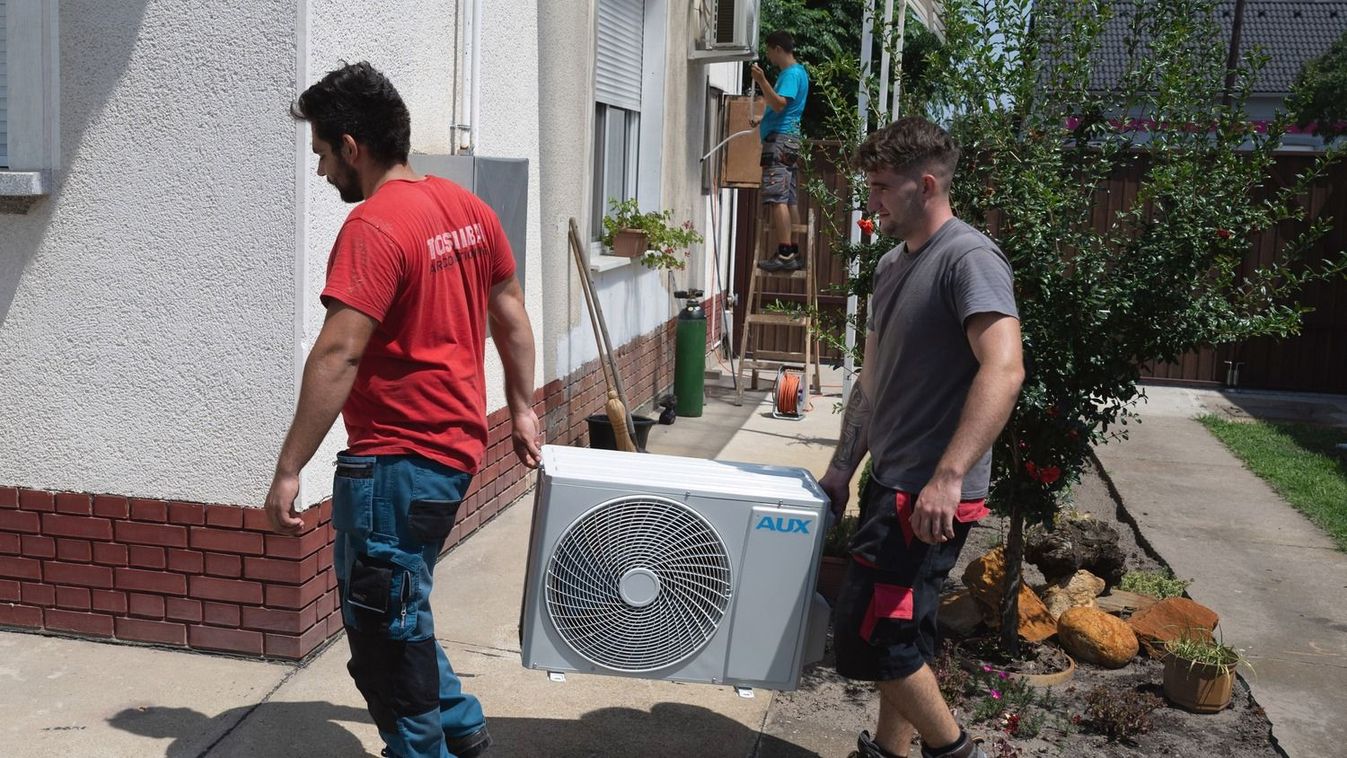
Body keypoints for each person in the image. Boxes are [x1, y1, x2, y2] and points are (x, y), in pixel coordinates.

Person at [265, 61, 540, 758]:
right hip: (450, 453)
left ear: (353, 146)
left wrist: (291, 467)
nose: (323, 172)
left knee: (382, 629)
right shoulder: (464, 208)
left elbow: (337, 355)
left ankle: (422, 750)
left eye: (323, 155)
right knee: (400, 607)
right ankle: (464, 729)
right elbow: (509, 312)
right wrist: (522, 406)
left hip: (396, 462)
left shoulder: (375, 226)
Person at [818, 117, 1024, 758]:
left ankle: (956, 753)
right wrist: (841, 467)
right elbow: (872, 382)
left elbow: (1006, 366)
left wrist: (949, 474)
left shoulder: (969, 260)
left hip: (927, 499)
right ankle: (888, 751)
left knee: (874, 639)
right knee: (896, 626)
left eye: (882, 187)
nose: (871, 201)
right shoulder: (890, 266)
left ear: (926, 185)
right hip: (891, 483)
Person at [749, 30, 810, 272]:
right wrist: (761, 118)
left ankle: (784, 253)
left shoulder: (790, 73)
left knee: (777, 199)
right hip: (790, 139)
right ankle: (792, 250)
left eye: (768, 50)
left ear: (777, 48)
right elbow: (781, 108)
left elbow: (779, 103)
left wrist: (761, 80)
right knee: (789, 198)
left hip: (780, 141)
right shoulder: (800, 73)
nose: (767, 55)